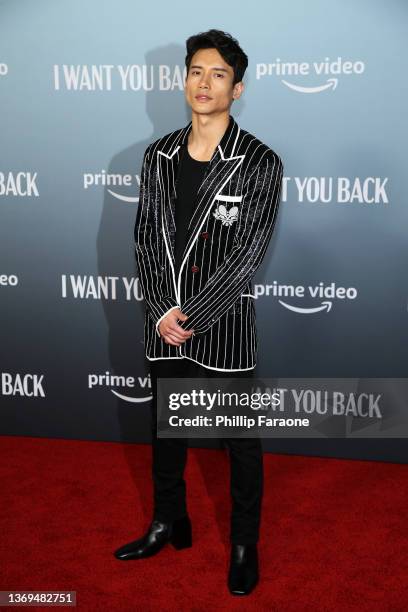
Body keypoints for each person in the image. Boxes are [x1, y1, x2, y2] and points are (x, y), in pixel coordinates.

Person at [114, 29, 284, 596]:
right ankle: (168, 522)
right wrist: (163, 310)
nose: (203, 83)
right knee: (166, 429)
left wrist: (193, 315)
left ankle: (243, 544)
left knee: (241, 441)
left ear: (237, 89)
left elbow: (248, 255)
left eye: (217, 75)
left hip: (224, 326)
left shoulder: (259, 160)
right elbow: (145, 240)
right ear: (183, 80)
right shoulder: (157, 154)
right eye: (195, 72)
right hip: (163, 323)